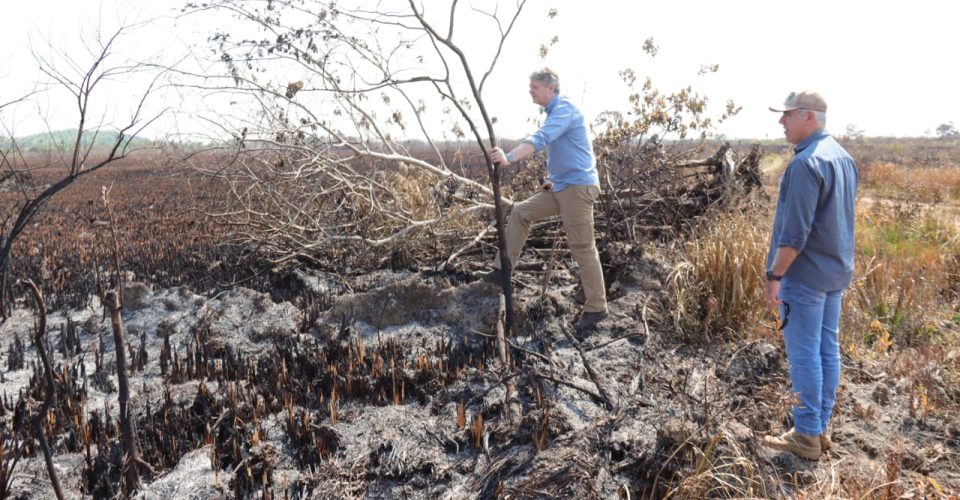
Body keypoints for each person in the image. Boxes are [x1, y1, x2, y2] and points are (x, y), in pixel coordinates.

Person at [761, 91, 858, 460]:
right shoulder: (843, 157)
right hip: (834, 273)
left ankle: (805, 436)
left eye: (786, 115)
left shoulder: (806, 164)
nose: (781, 121)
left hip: (805, 276)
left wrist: (775, 275)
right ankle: (818, 429)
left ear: (808, 117)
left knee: (805, 356)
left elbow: (795, 234)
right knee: (826, 352)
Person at [483, 68, 607, 330]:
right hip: (561, 187)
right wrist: (553, 178)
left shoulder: (565, 109)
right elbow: (566, 151)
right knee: (520, 212)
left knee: (582, 248)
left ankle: (597, 308)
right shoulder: (555, 112)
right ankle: (500, 271)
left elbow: (541, 138)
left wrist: (509, 158)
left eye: (535, 87)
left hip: (578, 189)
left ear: (551, 88)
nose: (530, 91)